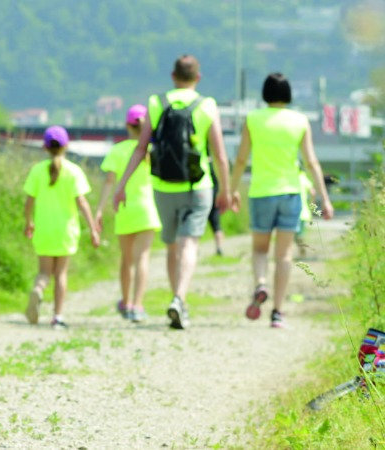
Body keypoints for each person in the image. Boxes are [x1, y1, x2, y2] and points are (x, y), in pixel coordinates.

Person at [115, 54, 234, 330]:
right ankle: (179, 298)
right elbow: (219, 155)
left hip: (163, 186)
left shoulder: (156, 103)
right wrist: (226, 190)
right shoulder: (207, 105)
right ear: (198, 77)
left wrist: (121, 186)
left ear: (173, 76)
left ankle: (176, 298)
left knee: (172, 247)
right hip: (198, 185)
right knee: (189, 243)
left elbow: (141, 148)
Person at [228, 73, 334, 329]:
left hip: (261, 192)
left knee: (260, 249)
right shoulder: (299, 120)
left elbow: (241, 159)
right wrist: (325, 198)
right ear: (288, 93)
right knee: (284, 255)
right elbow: (311, 161)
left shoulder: (253, 119)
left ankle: (260, 284)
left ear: (265, 93)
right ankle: (277, 312)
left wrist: (232, 190)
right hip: (290, 193)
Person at [23, 126, 101, 330]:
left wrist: (29, 222)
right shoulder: (74, 171)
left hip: (43, 229)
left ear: (45, 147)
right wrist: (93, 229)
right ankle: (57, 316)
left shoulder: (37, 170)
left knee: (44, 272)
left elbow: (29, 202)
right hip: (66, 231)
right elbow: (82, 202)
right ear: (66, 146)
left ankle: (38, 289)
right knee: (61, 274)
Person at [96, 106, 161, 323]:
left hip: (124, 208)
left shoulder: (117, 150)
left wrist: (99, 209)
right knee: (143, 258)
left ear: (127, 125)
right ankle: (138, 305)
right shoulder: (150, 150)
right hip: (147, 208)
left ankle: (125, 302)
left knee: (127, 259)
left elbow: (109, 182)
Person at [207, 166, 226, 257]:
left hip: (200, 199)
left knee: (197, 227)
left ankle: (195, 247)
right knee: (216, 226)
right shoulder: (212, 171)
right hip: (214, 200)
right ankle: (219, 247)